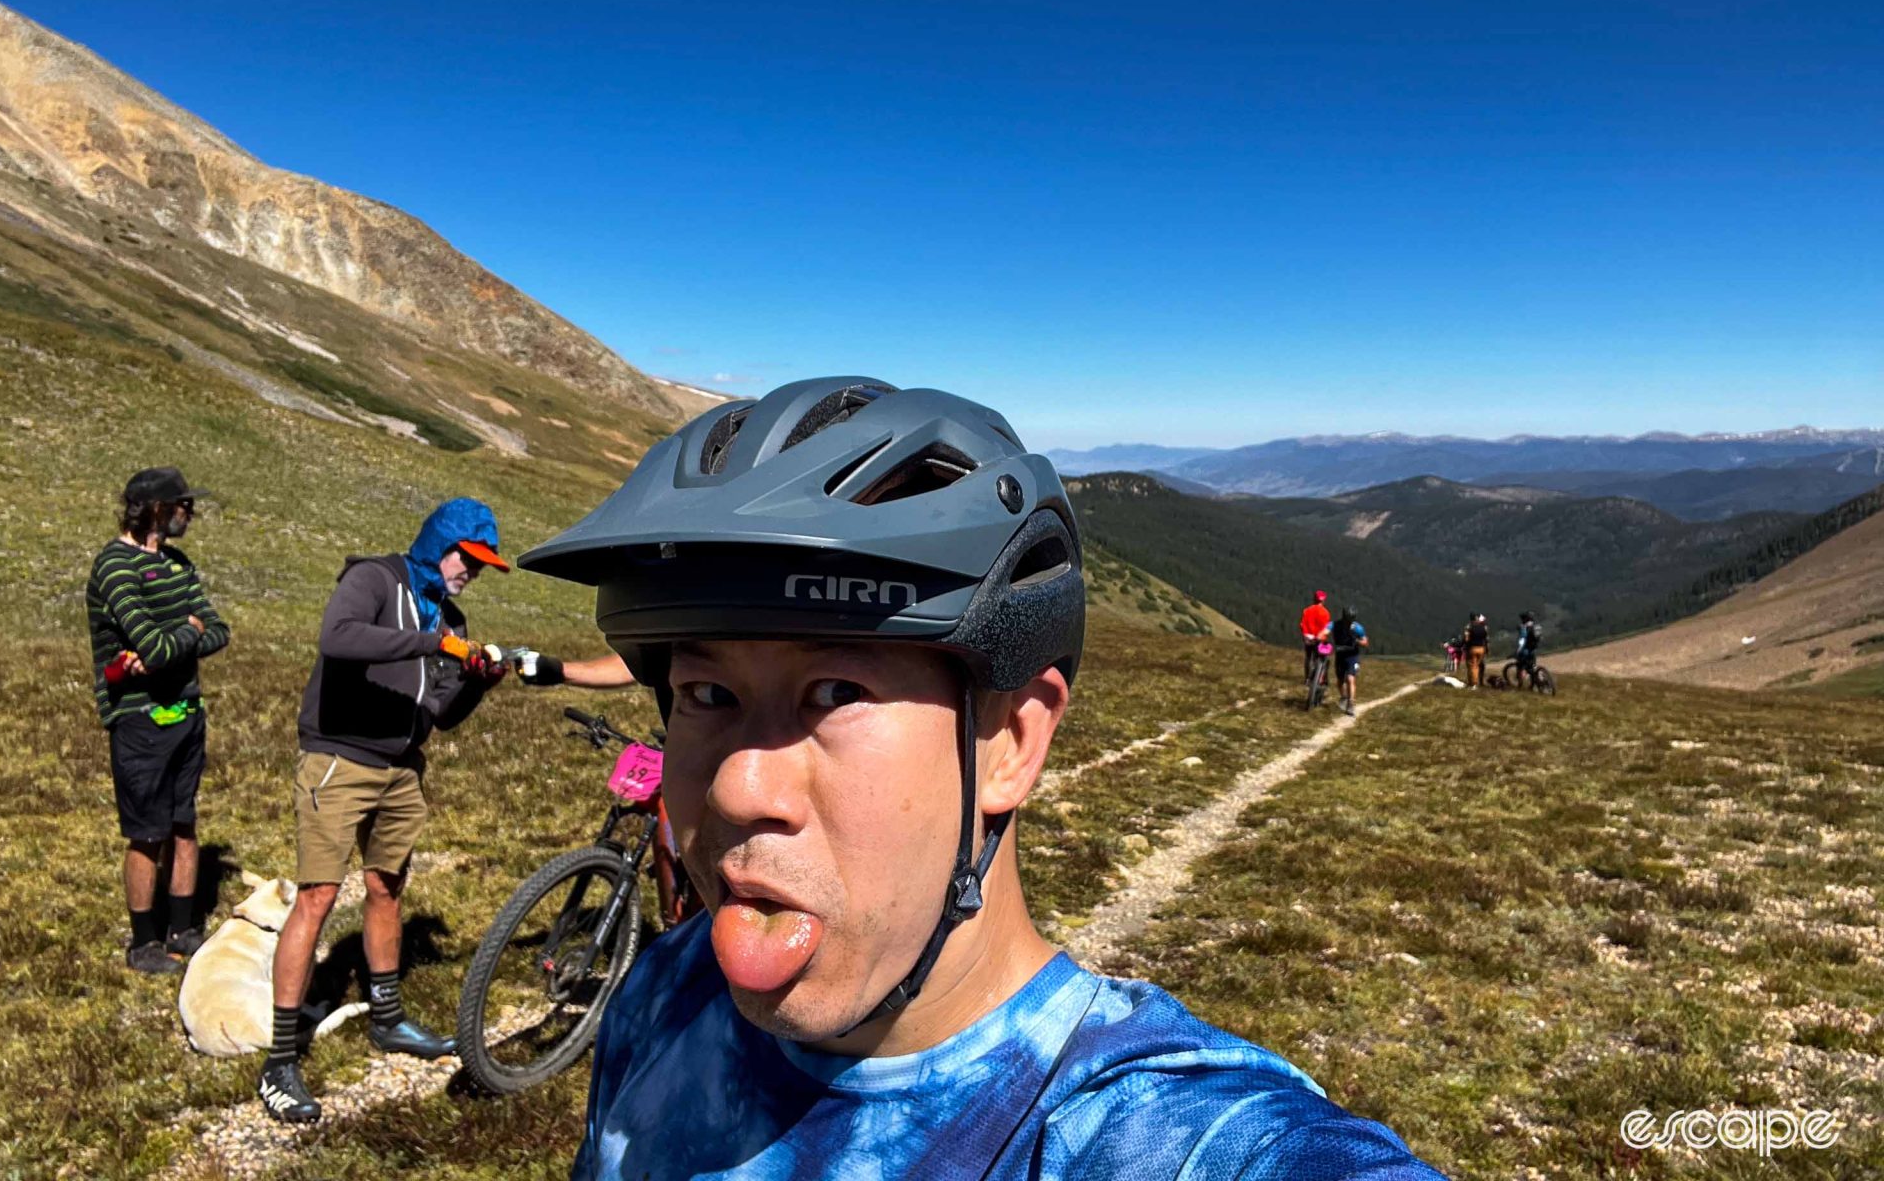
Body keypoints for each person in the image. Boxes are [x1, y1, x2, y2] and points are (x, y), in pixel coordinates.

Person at [520, 377, 1441, 1181]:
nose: (736, 789)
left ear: (1009, 742)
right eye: (705, 691)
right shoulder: (662, 993)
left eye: (835, 691)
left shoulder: (1142, 1132)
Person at [257, 498, 512, 1123]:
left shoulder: (448, 616)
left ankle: (389, 1019)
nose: (470, 573)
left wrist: (477, 679)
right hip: (339, 762)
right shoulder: (374, 578)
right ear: (438, 545)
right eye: (467, 559)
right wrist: (439, 642)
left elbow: (442, 715)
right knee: (317, 895)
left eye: (481, 566)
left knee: (386, 889)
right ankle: (280, 1061)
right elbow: (337, 638)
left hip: (403, 768)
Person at [87, 467, 231, 974]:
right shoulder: (115, 567)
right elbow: (152, 644)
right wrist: (186, 633)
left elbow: (219, 630)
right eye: (183, 505)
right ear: (155, 510)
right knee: (147, 831)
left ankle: (184, 929)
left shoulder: (178, 564)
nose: (189, 513)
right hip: (140, 719)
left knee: (184, 823)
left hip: (188, 711)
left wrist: (185, 636)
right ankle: (144, 940)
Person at [1328, 607, 1370, 716]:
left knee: (1351, 678)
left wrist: (1357, 641)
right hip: (1340, 655)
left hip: (1352, 656)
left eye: (1351, 620)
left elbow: (1365, 642)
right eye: (1347, 620)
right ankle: (1343, 697)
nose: (1348, 622)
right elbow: (1326, 630)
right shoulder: (1335, 624)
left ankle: (1351, 703)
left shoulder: (1357, 628)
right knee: (1340, 680)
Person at [1299, 588, 1332, 682]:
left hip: (1308, 637)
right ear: (1323, 600)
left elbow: (1302, 624)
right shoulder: (1325, 613)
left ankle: (1307, 678)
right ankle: (1319, 676)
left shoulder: (1307, 610)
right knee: (1319, 657)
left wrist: (1305, 633)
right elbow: (1326, 628)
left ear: (1314, 599)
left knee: (1308, 657)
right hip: (1319, 638)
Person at [1511, 612, 1542, 689]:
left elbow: (1522, 641)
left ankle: (1520, 682)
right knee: (1533, 666)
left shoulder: (1524, 628)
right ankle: (1538, 680)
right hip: (1533, 649)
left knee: (1521, 666)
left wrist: (1517, 651)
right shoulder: (1535, 626)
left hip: (1525, 651)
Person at [1463, 612, 1490, 688]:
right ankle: (1474, 682)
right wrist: (1487, 649)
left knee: (1472, 666)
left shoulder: (1469, 627)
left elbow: (1466, 638)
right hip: (1482, 648)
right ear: (1477, 618)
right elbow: (1487, 639)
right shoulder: (1483, 627)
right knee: (1477, 666)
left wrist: (1465, 645)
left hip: (1472, 648)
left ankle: (1473, 684)